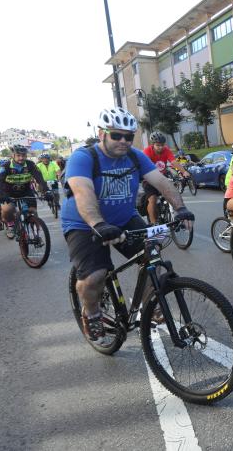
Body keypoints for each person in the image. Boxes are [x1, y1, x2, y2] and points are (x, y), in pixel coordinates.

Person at [62, 107, 195, 348]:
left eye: (129, 136)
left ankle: (149, 306)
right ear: (102, 133)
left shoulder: (134, 156)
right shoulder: (83, 157)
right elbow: (83, 192)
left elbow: (162, 182)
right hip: (84, 224)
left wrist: (180, 208)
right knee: (95, 277)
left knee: (152, 259)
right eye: (116, 135)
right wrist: (98, 223)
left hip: (124, 219)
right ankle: (91, 314)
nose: (123, 141)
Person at [0, 146, 48, 235]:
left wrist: (46, 191)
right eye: (18, 155)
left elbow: (39, 179)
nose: (21, 158)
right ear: (13, 155)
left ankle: (36, 232)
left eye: (24, 155)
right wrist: (0, 194)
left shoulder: (30, 164)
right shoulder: (4, 167)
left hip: (26, 191)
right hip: (9, 193)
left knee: (33, 211)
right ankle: (11, 225)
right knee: (8, 210)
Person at [142, 131, 190, 224]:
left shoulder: (166, 150)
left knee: (173, 195)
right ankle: (153, 224)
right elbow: (144, 165)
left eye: (162, 145)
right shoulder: (147, 151)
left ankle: (177, 217)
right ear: (153, 144)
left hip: (162, 177)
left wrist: (184, 172)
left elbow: (174, 162)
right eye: (158, 145)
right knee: (152, 199)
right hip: (149, 178)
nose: (160, 147)